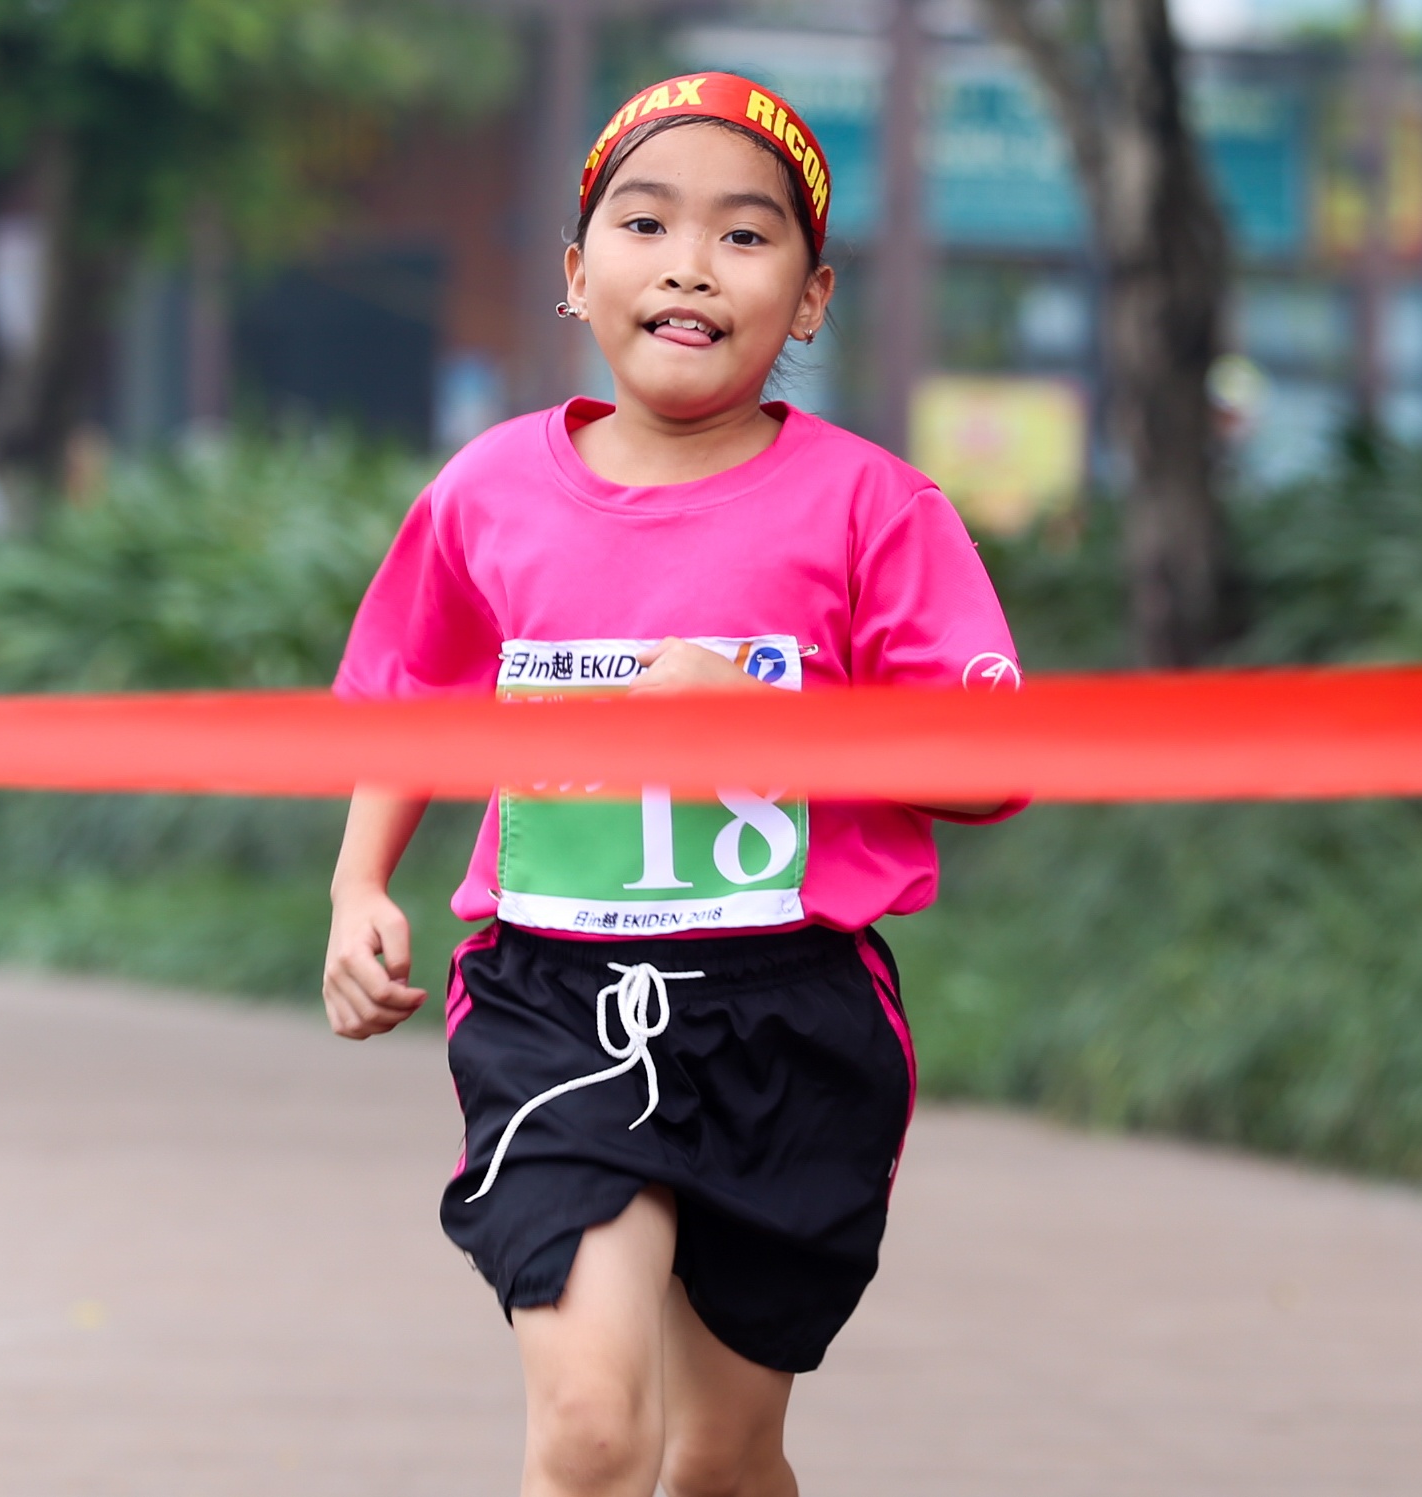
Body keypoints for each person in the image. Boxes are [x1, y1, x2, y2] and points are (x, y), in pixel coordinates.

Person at [321, 74, 1023, 1497]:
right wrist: (358, 885)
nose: (691, 263)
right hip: (551, 998)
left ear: (810, 300)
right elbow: (413, 691)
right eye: (645, 224)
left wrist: (776, 718)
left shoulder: (876, 508)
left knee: (721, 1456)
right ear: (577, 274)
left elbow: (989, 760)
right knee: (592, 1431)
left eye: (744, 236)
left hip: (791, 1017)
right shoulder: (486, 492)